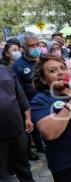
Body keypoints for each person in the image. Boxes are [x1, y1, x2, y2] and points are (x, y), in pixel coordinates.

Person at [0, 65, 47, 182]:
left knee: (22, 157)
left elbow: (20, 94)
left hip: (16, 124)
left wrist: (27, 117)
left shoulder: (5, 70)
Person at [12, 32, 44, 160]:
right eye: (32, 45)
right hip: (29, 104)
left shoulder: (44, 59)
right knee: (32, 129)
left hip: (46, 100)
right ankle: (34, 149)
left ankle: (43, 145)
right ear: (23, 48)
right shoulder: (17, 66)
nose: (36, 48)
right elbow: (18, 91)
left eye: (37, 44)